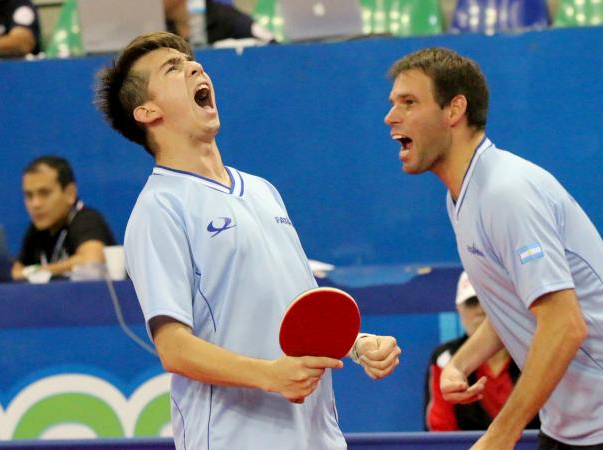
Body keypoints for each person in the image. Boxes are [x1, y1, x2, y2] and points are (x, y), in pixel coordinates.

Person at [94, 32, 400, 449]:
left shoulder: (261, 190)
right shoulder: (158, 210)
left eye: (191, 61)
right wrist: (270, 376)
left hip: (316, 436)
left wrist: (357, 343)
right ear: (146, 111)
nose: (195, 67)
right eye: (173, 69)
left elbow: (299, 311)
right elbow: (175, 349)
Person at [385, 47, 603, 449]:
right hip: (567, 424)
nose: (391, 117)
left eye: (409, 102)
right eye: (393, 103)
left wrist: (501, 433)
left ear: (454, 109)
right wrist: (462, 362)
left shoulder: (506, 193)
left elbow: (564, 325)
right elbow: (515, 305)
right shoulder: (462, 197)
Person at [425, 271, 540, 431]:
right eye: (472, 302)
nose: (482, 309)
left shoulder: (536, 350)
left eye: (489, 300)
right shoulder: (445, 358)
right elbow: (441, 431)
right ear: (459, 309)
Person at [12, 156, 116, 281]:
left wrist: (36, 272)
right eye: (29, 195)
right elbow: (16, 271)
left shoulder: (86, 219)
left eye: (44, 193)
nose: (35, 204)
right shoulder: (36, 229)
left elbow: (92, 260)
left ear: (70, 193)